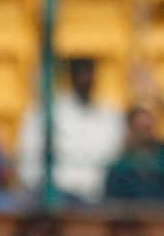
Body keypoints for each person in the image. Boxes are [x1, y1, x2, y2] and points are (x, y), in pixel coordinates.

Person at [17, 58, 124, 206]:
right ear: (71, 77)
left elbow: (117, 155)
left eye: (89, 73)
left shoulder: (110, 113)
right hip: (58, 195)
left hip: (99, 197)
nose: (86, 79)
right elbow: (28, 160)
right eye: (81, 73)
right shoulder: (48, 110)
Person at [103, 103, 164, 206]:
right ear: (131, 130)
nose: (147, 133)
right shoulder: (120, 167)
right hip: (135, 220)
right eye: (141, 128)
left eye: (149, 128)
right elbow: (112, 205)